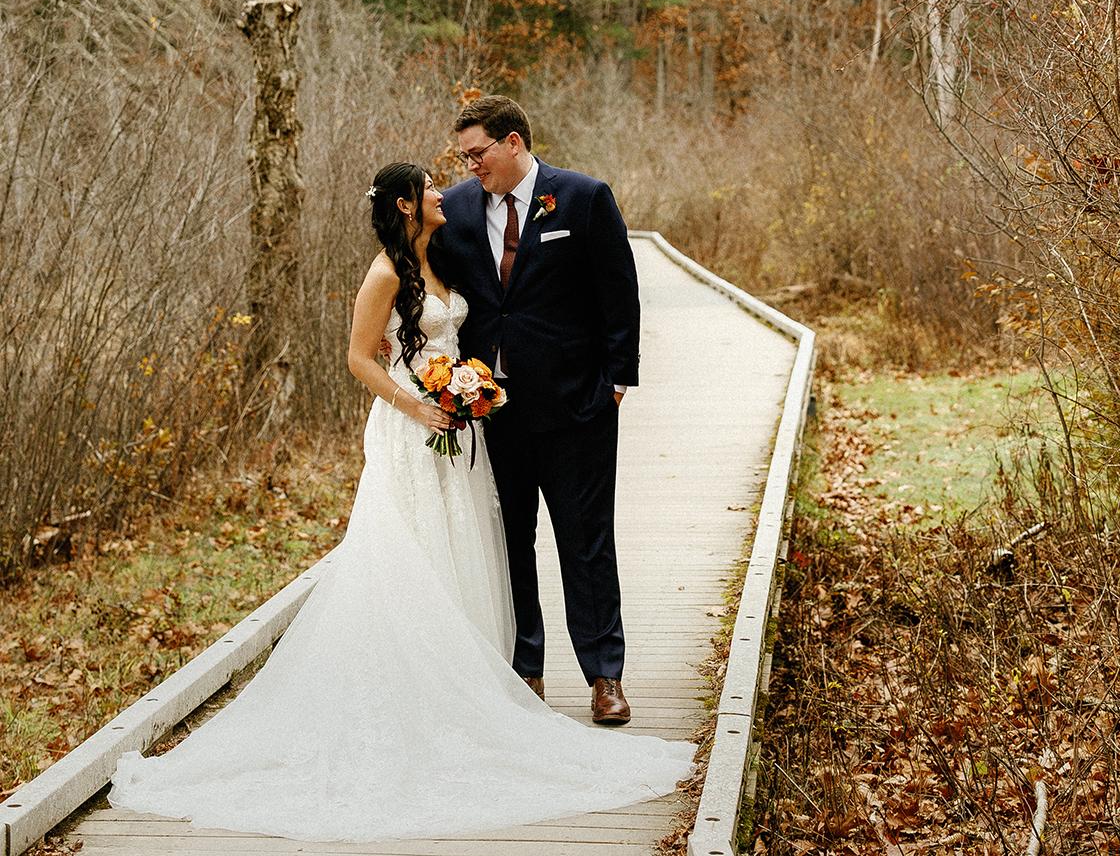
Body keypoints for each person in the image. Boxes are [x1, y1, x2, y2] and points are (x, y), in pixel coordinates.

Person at [108, 163, 691, 842]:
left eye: (460, 170)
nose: (451, 190)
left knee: (471, 547)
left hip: (474, 425)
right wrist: (420, 406)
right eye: (433, 188)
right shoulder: (386, 271)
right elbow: (360, 358)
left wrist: (475, 387)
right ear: (411, 203)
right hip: (413, 432)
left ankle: (512, 683)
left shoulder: (444, 253)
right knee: (412, 552)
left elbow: (527, 309)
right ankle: (423, 693)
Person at [437, 95, 639, 726]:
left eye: (479, 153)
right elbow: (426, 275)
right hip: (492, 412)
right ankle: (527, 669)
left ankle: (605, 675)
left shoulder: (582, 198)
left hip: (578, 405)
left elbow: (618, 289)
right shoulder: (459, 208)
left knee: (586, 543)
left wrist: (616, 381)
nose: (471, 166)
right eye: (464, 156)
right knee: (510, 544)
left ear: (514, 142)